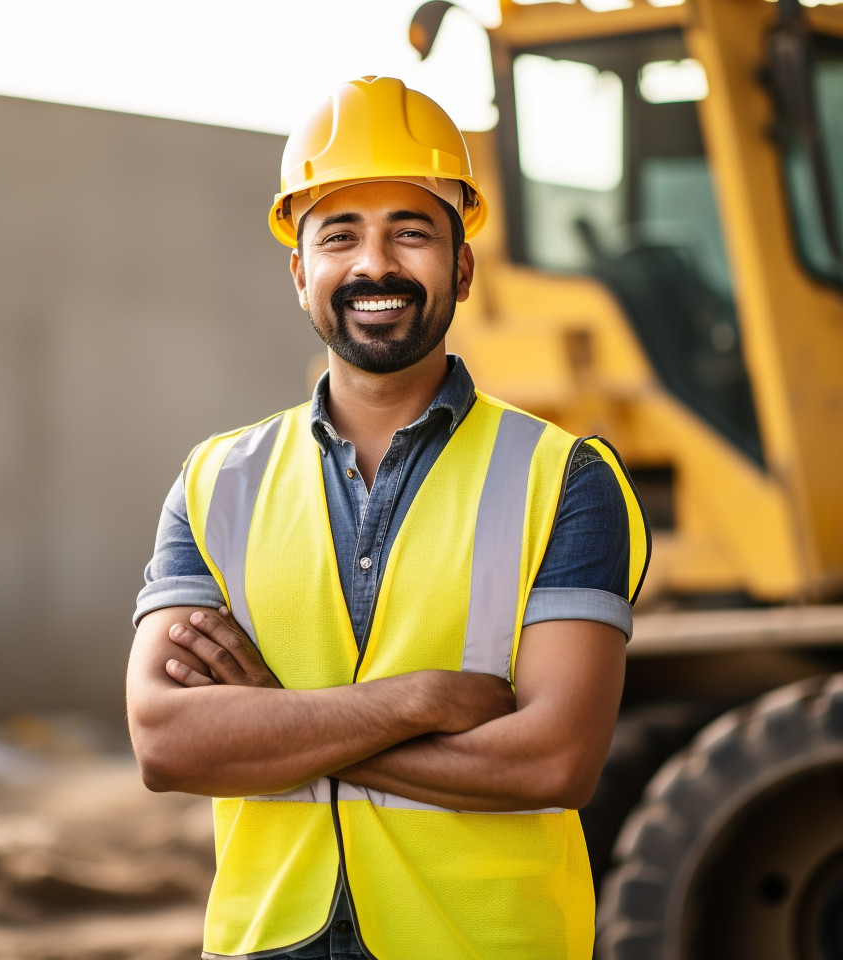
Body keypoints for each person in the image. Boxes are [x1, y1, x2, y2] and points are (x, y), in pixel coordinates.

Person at [126, 75, 650, 960]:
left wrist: (276, 727)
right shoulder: (219, 479)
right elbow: (167, 742)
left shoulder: (565, 477)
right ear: (302, 273)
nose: (376, 265)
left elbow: (554, 762)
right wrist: (422, 700)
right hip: (266, 943)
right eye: (340, 235)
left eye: (412, 232)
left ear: (464, 266)